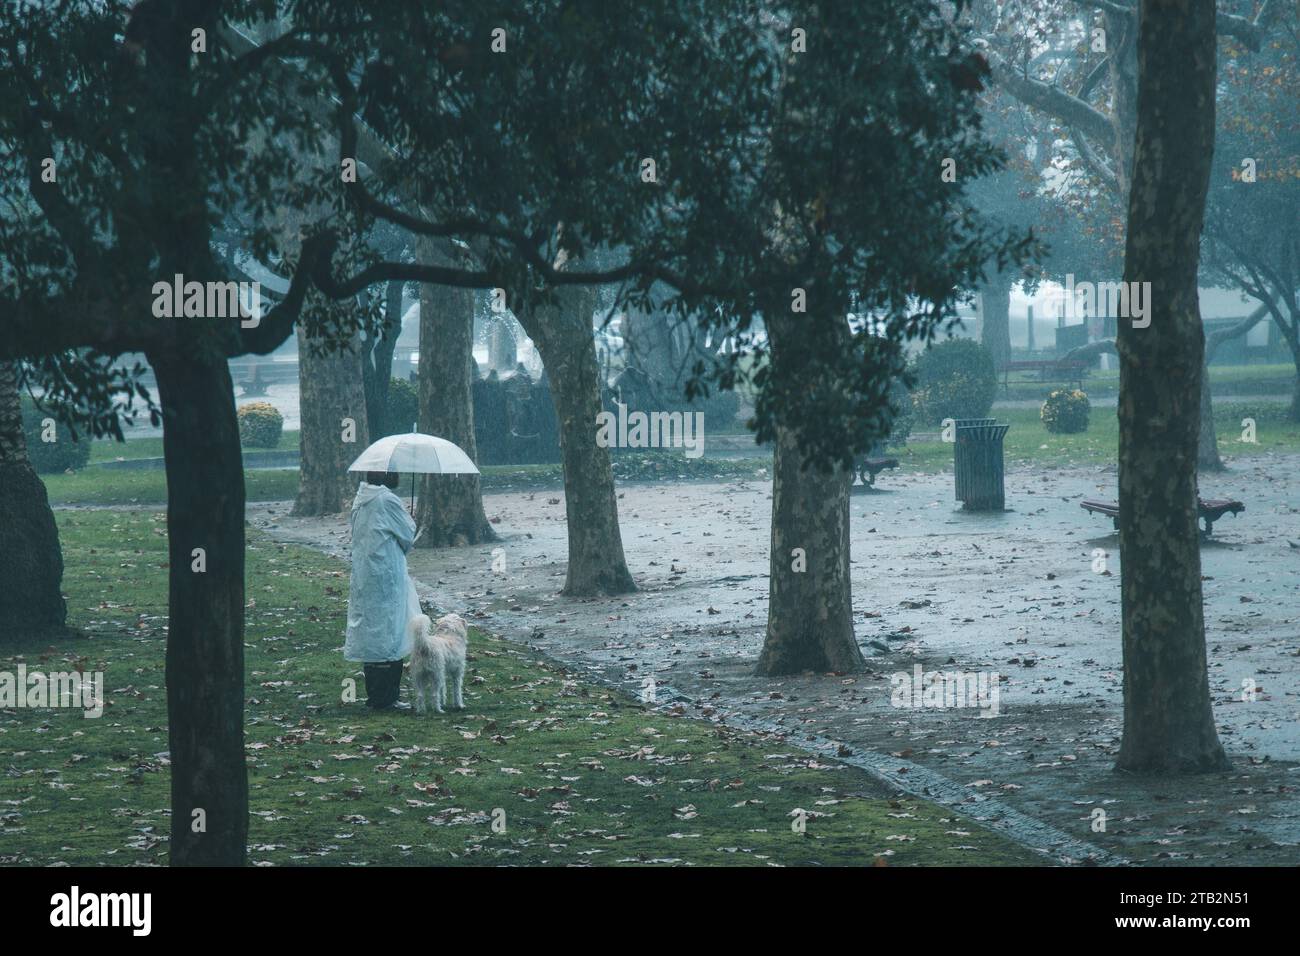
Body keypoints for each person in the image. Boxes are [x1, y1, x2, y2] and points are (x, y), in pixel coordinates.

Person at [345, 471, 419, 710]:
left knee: (372, 631)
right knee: (391, 630)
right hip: (387, 573)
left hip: (366, 574)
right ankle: (388, 696)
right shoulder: (387, 500)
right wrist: (410, 518)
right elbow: (408, 535)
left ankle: (376, 694)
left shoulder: (361, 499)